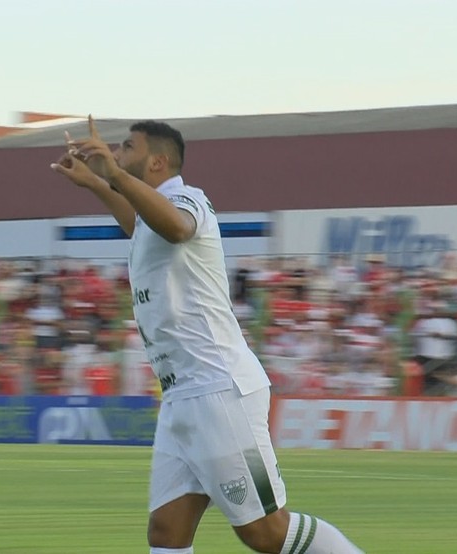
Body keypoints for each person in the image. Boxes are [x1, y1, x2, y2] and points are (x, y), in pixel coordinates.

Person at [51, 117, 363, 553]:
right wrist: (96, 184)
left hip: (219, 392)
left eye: (127, 147)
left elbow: (177, 228)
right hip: (182, 397)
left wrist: (115, 176)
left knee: (266, 532)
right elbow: (139, 224)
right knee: (167, 532)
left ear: (158, 161)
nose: (117, 153)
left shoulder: (187, 198)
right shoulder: (149, 214)